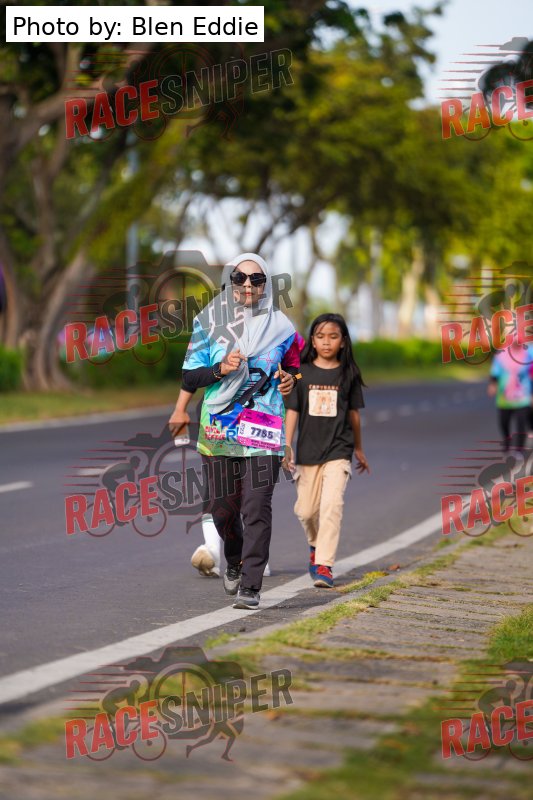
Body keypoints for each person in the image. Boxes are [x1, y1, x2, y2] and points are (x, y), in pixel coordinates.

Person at [169, 253, 300, 609]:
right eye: (240, 278)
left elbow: (296, 368)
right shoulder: (209, 322)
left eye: (256, 279)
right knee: (223, 509)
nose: (247, 285)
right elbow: (190, 376)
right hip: (219, 428)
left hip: (264, 427)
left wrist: (291, 380)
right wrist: (220, 369)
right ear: (230, 282)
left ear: (266, 285)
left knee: (256, 506)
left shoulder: (282, 327)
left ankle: (251, 586)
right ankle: (234, 558)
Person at [283, 313, 370, 588]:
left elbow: (354, 415)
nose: (326, 342)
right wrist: (287, 445)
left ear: (343, 341)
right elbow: (292, 410)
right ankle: (315, 544)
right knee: (306, 511)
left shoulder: (349, 373)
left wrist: (358, 448)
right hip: (308, 452)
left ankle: (324, 564)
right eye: (320, 336)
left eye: (333, 337)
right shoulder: (301, 373)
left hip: (339, 450)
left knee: (332, 505)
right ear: (312, 340)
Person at [488, 337, 533, 452]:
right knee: (504, 423)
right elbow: (495, 372)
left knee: (521, 425)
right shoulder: (501, 355)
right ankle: (507, 441)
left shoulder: (528, 354)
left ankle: (519, 450)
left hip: (523, 397)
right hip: (505, 398)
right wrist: (493, 384)